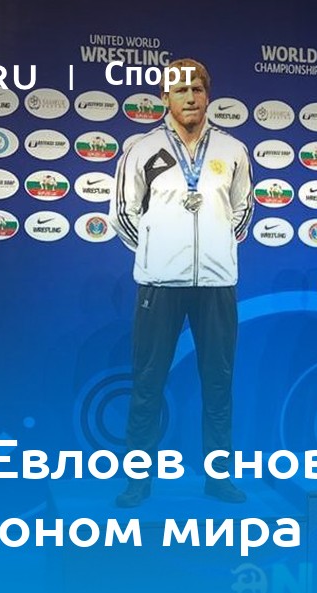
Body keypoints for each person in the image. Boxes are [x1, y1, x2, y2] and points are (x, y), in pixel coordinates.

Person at [109, 59, 253, 507]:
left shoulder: (232, 150)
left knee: (219, 384)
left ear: (208, 95)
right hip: (160, 285)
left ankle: (218, 478)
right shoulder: (141, 149)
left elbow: (243, 210)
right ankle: (138, 481)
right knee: (147, 384)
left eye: (197, 89)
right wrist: (158, 252)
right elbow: (123, 213)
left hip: (216, 285)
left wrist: (218, 246)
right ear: (164, 98)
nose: (190, 97)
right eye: (180, 90)